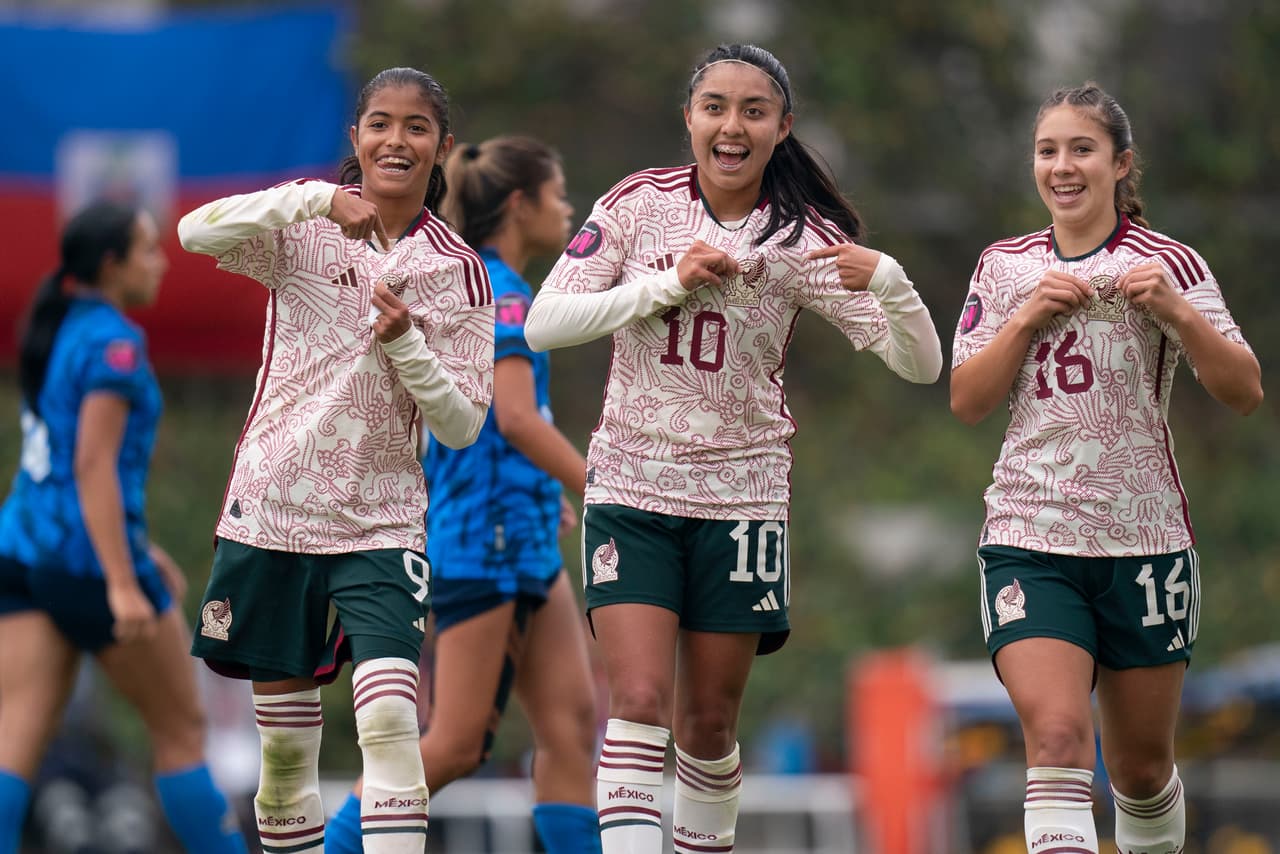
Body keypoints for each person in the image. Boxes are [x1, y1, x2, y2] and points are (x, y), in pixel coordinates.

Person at [523, 43, 943, 852]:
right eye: (715, 106)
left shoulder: (802, 238)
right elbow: (547, 322)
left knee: (708, 723)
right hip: (633, 489)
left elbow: (920, 366)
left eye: (754, 110)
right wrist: (665, 284)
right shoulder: (636, 205)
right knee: (638, 697)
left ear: (783, 127)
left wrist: (890, 277)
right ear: (689, 118)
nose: (732, 124)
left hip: (742, 500)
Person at [179, 66, 494, 854]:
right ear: (355, 139)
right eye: (380, 124)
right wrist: (316, 197)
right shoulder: (303, 226)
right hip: (274, 505)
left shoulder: (459, 271)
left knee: (389, 719)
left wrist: (408, 345)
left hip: (382, 520)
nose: (397, 140)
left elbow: (460, 425)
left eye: (416, 127)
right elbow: (193, 232)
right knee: (287, 753)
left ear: (442, 148)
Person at [949, 82, 1262, 853]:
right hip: (1032, 538)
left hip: (1144, 544)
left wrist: (1179, 314)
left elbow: (1245, 391)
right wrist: (1025, 319)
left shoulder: (1168, 265)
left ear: (1120, 165)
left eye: (1081, 149)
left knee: (1143, 771)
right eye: (1048, 150)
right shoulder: (1004, 267)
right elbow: (967, 399)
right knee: (1057, 740)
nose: (1062, 166)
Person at [325, 135, 601, 854]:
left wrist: (547, 488)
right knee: (452, 744)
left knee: (571, 729)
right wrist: (601, 490)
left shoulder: (498, 285)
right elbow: (511, 417)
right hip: (484, 542)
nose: (568, 208)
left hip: (525, 535)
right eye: (559, 193)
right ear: (520, 205)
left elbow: (502, 423)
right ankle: (337, 844)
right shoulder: (500, 294)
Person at [0, 199, 248, 854]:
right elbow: (90, 463)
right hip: (85, 567)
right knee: (182, 732)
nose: (161, 263)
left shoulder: (56, 327)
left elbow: (56, 467)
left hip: (24, 552)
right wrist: (120, 578)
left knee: (13, 741)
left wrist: (138, 547)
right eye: (147, 249)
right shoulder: (114, 342)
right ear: (112, 264)